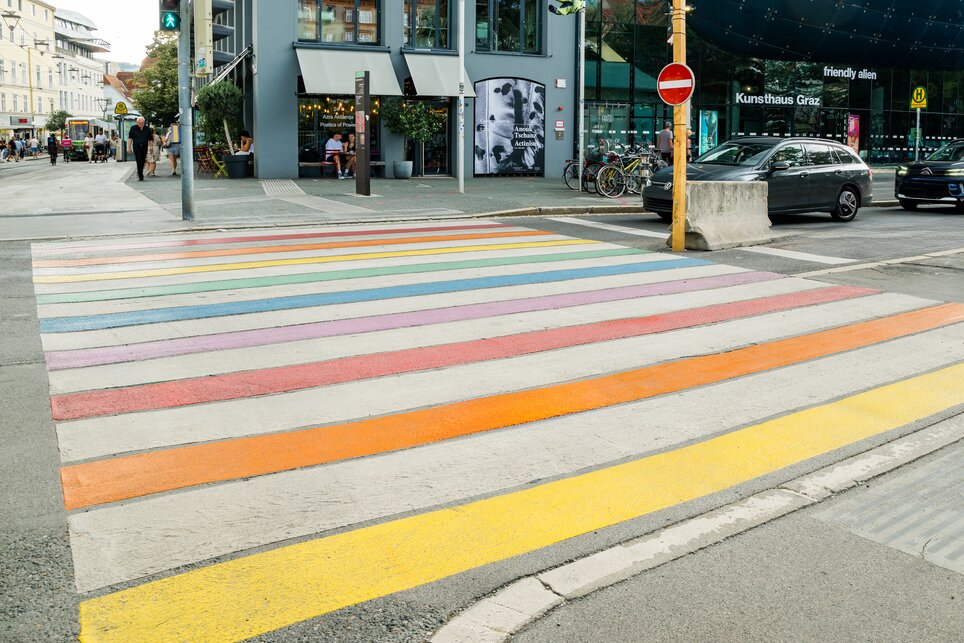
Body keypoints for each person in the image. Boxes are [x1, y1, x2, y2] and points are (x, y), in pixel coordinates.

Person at [127, 116, 154, 180]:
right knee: (139, 159)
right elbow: (130, 138)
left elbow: (150, 139)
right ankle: (140, 174)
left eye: (142, 123)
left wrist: (151, 147)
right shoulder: (133, 128)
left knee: (142, 160)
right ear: (137, 122)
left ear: (144, 122)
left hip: (144, 146)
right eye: (140, 123)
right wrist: (129, 147)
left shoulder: (147, 129)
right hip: (136, 146)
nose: (141, 124)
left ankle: (139, 171)